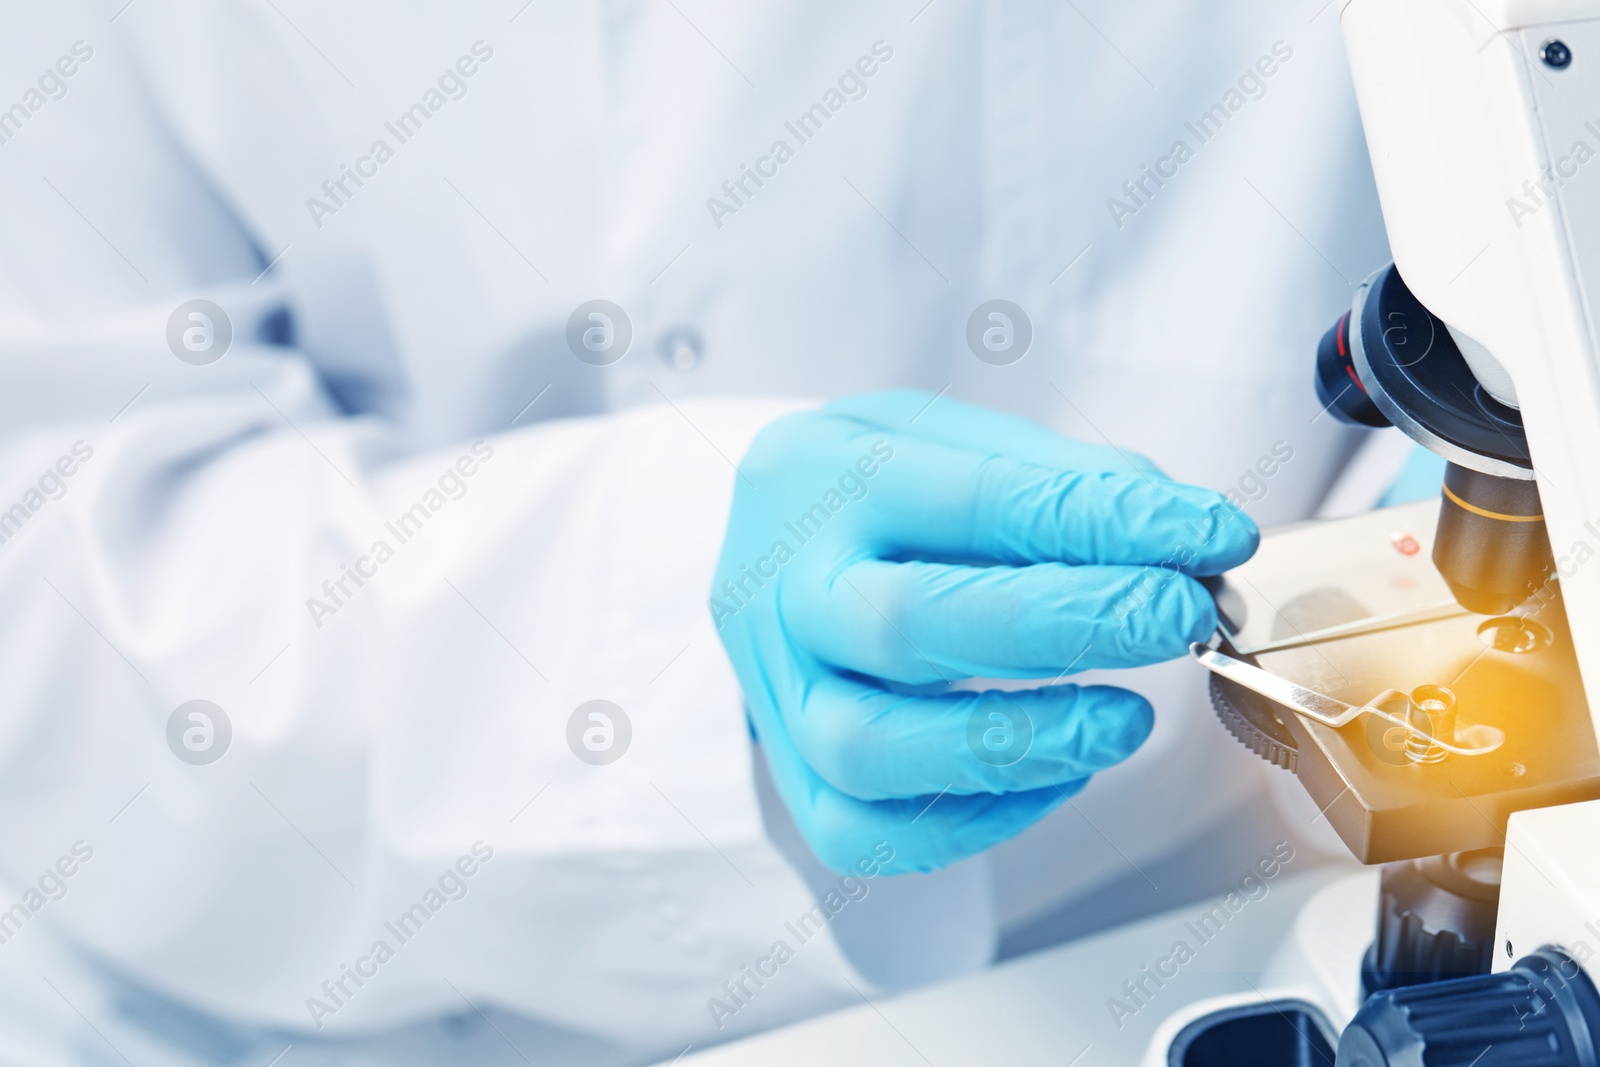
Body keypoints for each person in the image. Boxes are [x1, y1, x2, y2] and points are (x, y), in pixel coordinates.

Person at [0, 1, 1392, 1063]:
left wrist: (1482, 513)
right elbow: (48, 540)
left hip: (1220, 930)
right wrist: (653, 642)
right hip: (316, 1002)